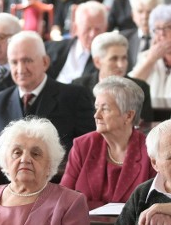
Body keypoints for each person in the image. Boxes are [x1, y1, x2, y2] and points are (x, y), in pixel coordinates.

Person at [0, 31, 95, 152]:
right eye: (14, 62)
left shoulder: (74, 97)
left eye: (27, 61)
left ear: (45, 62)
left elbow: (89, 149)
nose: (20, 69)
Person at [61, 76, 155, 208]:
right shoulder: (83, 146)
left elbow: (155, 204)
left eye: (105, 109)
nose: (96, 115)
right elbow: (64, 197)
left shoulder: (151, 151)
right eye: (96, 108)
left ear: (128, 116)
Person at [71, 32, 153, 123]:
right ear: (97, 62)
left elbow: (144, 127)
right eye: (114, 59)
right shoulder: (79, 87)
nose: (121, 65)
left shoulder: (141, 88)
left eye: (124, 58)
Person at [129, 4, 171, 101]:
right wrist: (150, 60)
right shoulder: (145, 57)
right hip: (151, 115)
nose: (161, 34)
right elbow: (129, 89)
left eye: (167, 27)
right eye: (157, 29)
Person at [46, 1, 107, 83]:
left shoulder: (107, 59)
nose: (92, 34)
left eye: (98, 29)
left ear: (105, 29)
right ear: (75, 28)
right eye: (88, 28)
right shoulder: (52, 49)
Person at [118, 0, 165, 67]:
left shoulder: (167, 39)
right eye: (140, 11)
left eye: (150, 11)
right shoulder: (122, 39)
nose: (145, 16)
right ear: (133, 15)